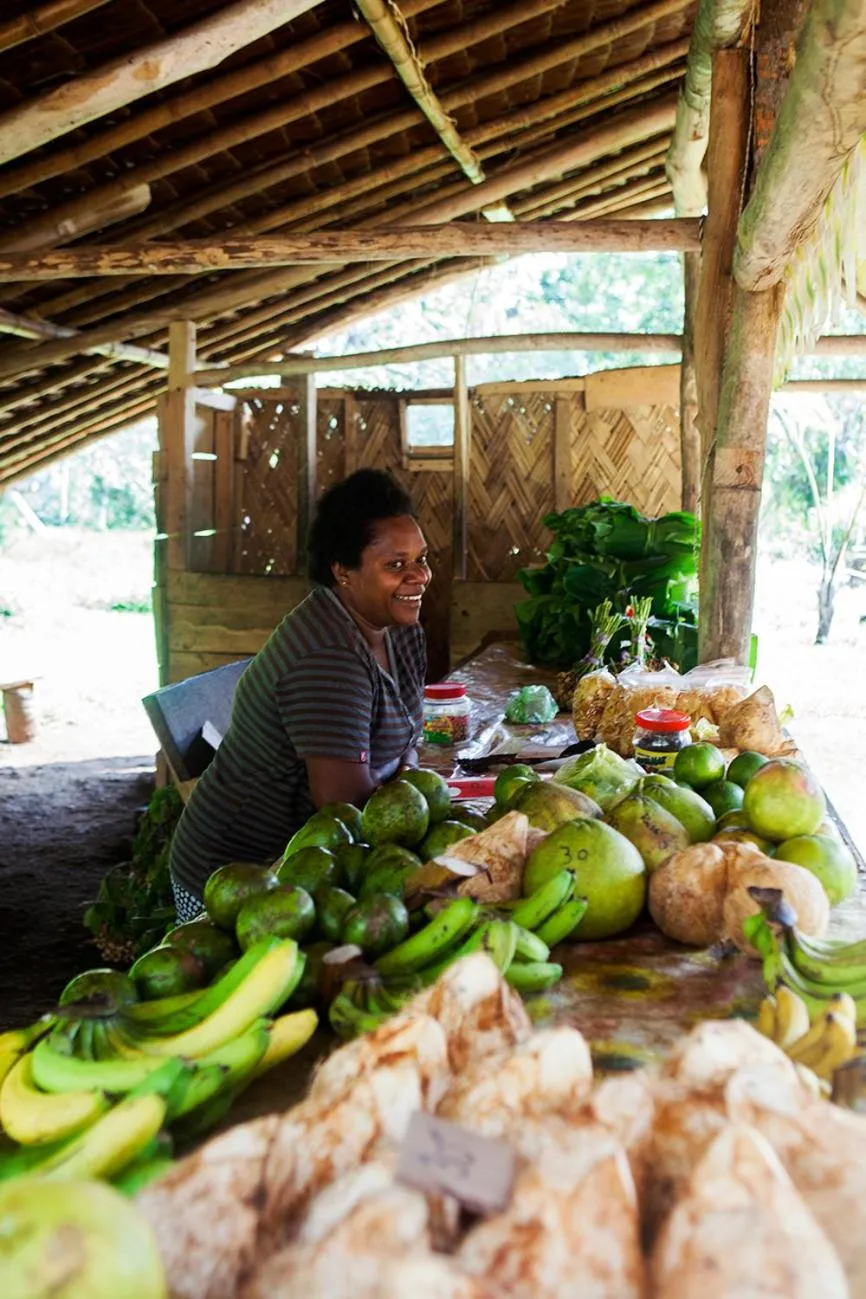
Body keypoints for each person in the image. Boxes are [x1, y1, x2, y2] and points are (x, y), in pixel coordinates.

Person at [169, 469, 430, 921]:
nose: (419, 576)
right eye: (396, 565)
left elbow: (409, 740)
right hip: (239, 878)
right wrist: (408, 788)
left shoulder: (397, 628)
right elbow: (345, 807)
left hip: (313, 861)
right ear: (343, 572)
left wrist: (404, 777)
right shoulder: (327, 655)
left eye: (422, 559)